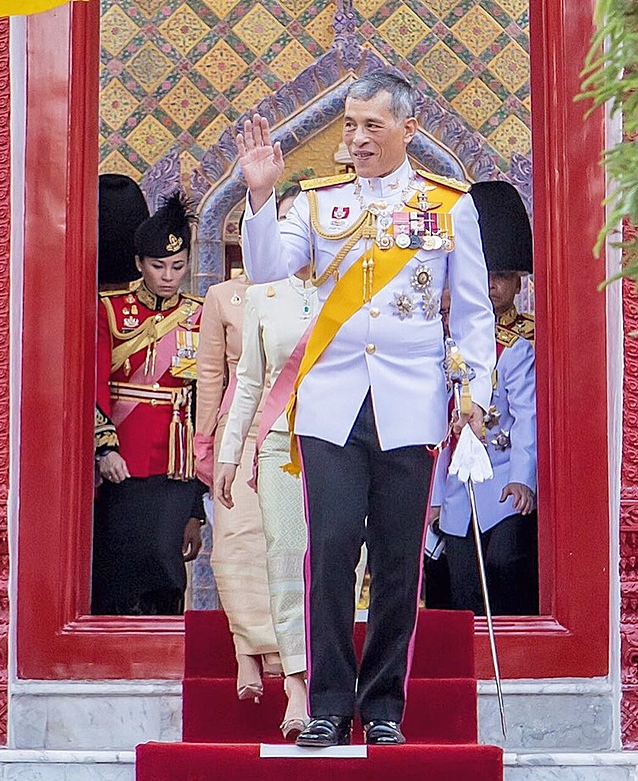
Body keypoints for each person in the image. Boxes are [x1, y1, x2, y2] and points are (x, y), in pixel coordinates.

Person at [236, 69, 496, 746]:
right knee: (329, 548)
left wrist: (474, 393)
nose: (356, 138)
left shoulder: (449, 205)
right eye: (350, 125)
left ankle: (382, 706)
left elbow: (472, 313)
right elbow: (266, 269)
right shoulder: (318, 203)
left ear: (409, 128)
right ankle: (328, 703)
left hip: (411, 405)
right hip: (332, 404)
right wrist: (260, 196)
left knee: (397, 558)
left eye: (371, 126)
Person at [215, 187, 314, 739]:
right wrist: (229, 453)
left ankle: (325, 674)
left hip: (344, 440)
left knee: (336, 559)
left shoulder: (353, 286)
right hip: (278, 440)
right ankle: (296, 683)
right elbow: (248, 381)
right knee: (284, 550)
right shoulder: (263, 296)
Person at [92, 192, 207, 615]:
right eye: (158, 266)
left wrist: (197, 507)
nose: (168, 276)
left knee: (166, 566)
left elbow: (205, 403)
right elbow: (93, 384)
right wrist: (104, 448)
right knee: (117, 568)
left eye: (178, 266)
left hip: (177, 463)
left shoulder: (200, 315)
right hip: (123, 458)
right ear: (139, 263)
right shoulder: (110, 310)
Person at [434, 180, 538, 616]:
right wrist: (435, 493)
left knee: (507, 568)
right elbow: (440, 423)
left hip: (506, 479)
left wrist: (524, 478)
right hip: (458, 489)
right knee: (460, 590)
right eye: (485, 275)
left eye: (503, 277)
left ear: (518, 282)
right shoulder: (446, 342)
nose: (492, 286)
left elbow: (529, 416)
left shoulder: (522, 343)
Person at [194, 259, 281, 699]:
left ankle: (278, 650)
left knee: (284, 540)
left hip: (298, 424)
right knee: (235, 539)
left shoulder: (316, 289)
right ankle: (247, 648)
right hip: (238, 429)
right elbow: (210, 374)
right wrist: (204, 441)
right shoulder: (222, 297)